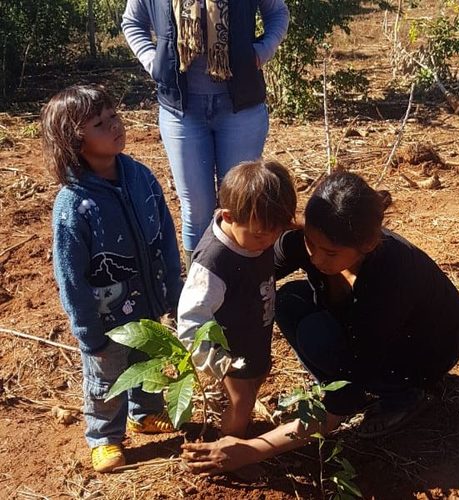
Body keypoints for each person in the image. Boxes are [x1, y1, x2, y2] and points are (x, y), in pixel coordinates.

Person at [180, 170, 459, 474]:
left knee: (320, 340)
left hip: (423, 351)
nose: (316, 259)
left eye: (330, 253)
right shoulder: (313, 241)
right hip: (370, 330)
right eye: (310, 245)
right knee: (289, 300)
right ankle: (338, 376)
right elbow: (252, 272)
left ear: (368, 245)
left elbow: (337, 411)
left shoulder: (391, 279)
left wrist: (252, 450)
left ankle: (402, 396)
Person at [43, 85, 183, 473]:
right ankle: (105, 436)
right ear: (76, 141)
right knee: (106, 377)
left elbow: (165, 234)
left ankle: (145, 412)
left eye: (114, 117)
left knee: (149, 360)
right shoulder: (74, 204)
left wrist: (174, 287)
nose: (116, 126)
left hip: (148, 301)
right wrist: (88, 331)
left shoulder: (140, 176)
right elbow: (70, 275)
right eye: (100, 124)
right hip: (106, 318)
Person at [122, 0, 290, 269]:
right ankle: (200, 295)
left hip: (240, 108)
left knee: (240, 206)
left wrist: (261, 52)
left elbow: (277, 12)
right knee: (196, 209)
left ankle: (240, 288)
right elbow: (132, 22)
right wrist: (153, 61)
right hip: (181, 111)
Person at [177, 159, 297, 438]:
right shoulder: (214, 263)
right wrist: (217, 362)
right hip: (230, 353)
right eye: (261, 235)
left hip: (255, 338)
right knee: (241, 402)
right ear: (229, 217)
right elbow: (190, 321)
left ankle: (236, 430)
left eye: (276, 232)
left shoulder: (257, 231)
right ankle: (230, 449)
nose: (270, 242)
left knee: (257, 378)